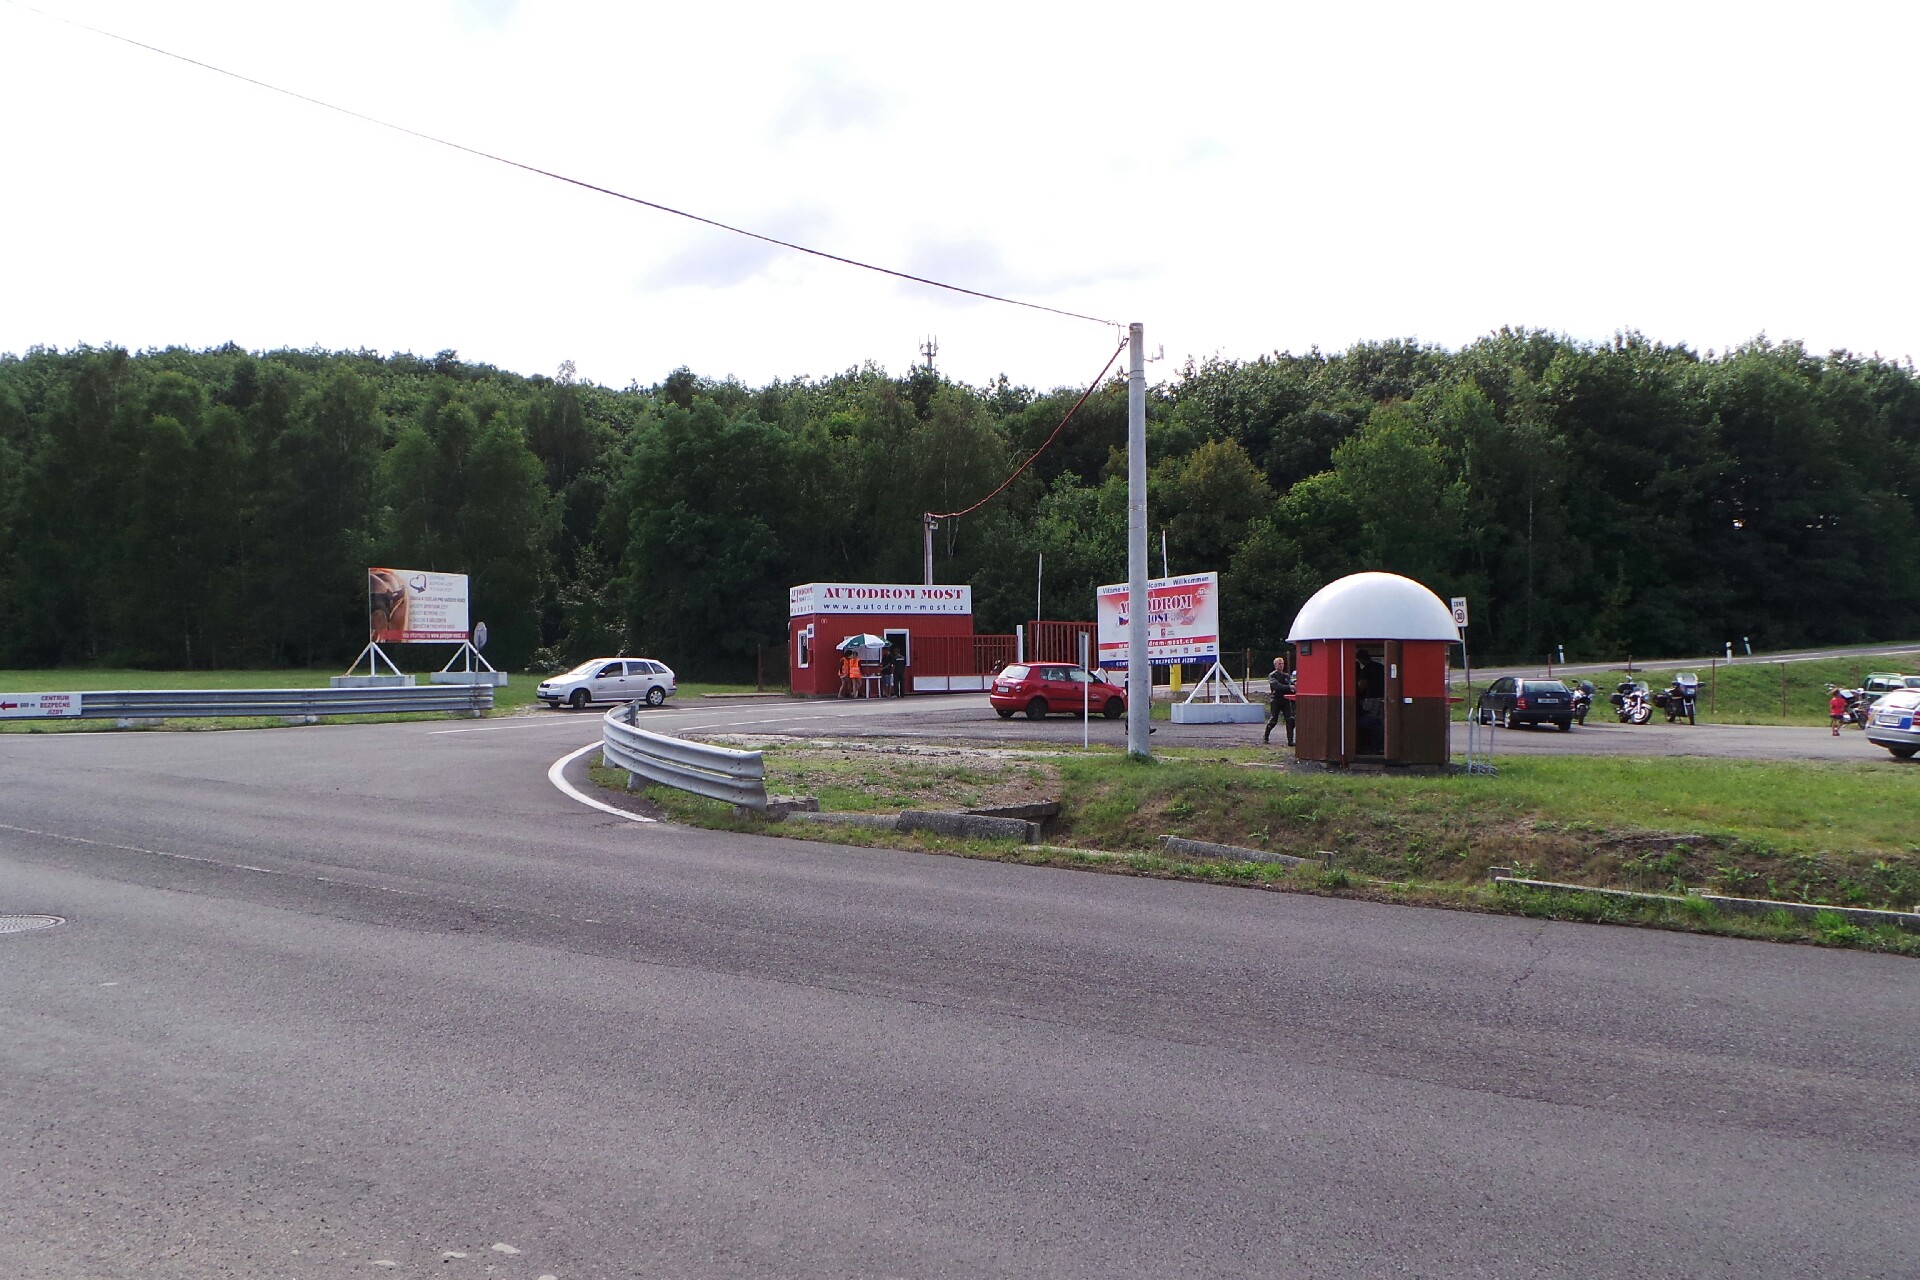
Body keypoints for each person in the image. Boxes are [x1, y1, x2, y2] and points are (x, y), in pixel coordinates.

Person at [1355, 647, 1385, 754]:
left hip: (1371, 698)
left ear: (1361, 659)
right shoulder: (1381, 667)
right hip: (1383, 697)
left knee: (1370, 720)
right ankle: (1381, 746)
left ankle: (1369, 747)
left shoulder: (1366, 670)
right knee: (1381, 722)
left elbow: (1362, 686)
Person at [1263, 655, 1295, 746]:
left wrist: (1294, 686)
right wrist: (1289, 687)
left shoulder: (1286, 676)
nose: (1281, 665)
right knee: (1274, 720)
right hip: (1276, 699)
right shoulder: (1272, 675)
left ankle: (1290, 740)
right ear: (1275, 665)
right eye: (1279, 664)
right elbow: (1277, 686)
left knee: (1290, 720)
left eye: (1282, 664)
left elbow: (1291, 684)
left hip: (1286, 699)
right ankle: (1266, 736)